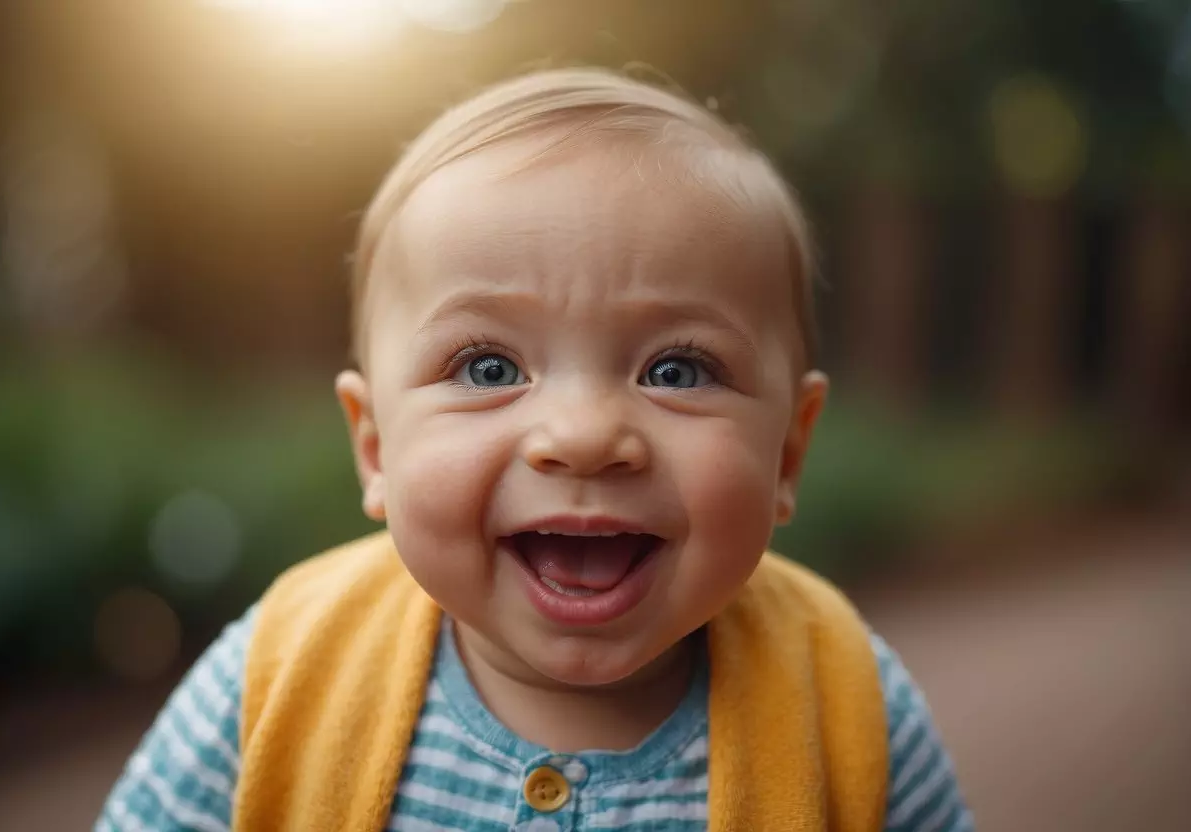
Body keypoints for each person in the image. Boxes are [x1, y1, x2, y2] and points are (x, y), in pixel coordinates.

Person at [96, 67, 973, 832]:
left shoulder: (847, 702)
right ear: (374, 450)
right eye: (486, 366)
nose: (584, 436)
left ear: (786, 451)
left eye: (676, 368)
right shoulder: (283, 672)